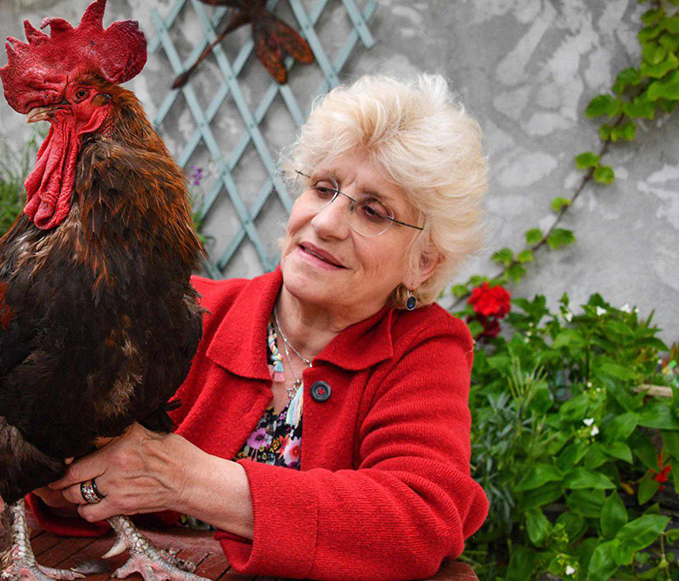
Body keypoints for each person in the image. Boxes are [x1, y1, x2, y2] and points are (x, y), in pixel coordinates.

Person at [26, 73, 491, 581]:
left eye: (374, 211)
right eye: (323, 188)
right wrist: (70, 484)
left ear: (423, 263)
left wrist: (187, 479)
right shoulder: (184, 312)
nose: (327, 222)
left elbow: (417, 521)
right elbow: (75, 484)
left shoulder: (422, 349)